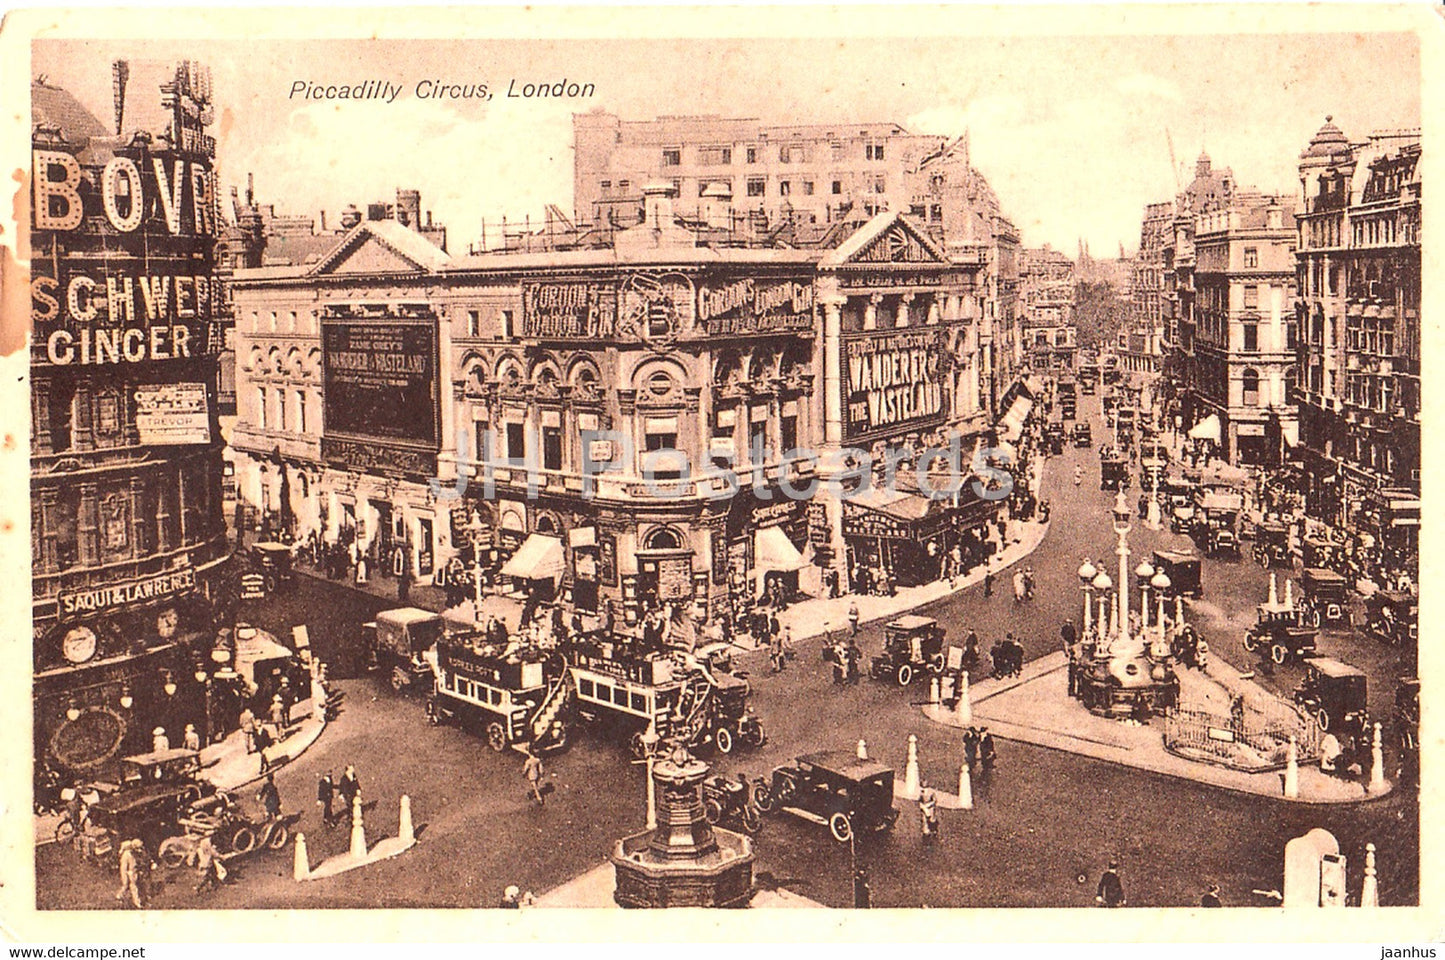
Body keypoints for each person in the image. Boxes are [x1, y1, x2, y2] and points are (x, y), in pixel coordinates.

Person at [115, 838, 146, 908]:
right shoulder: (126, 855)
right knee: (128, 885)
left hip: (133, 871)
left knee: (133, 886)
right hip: (127, 871)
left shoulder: (135, 854)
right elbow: (124, 867)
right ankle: (136, 902)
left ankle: (120, 896)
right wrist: (128, 874)